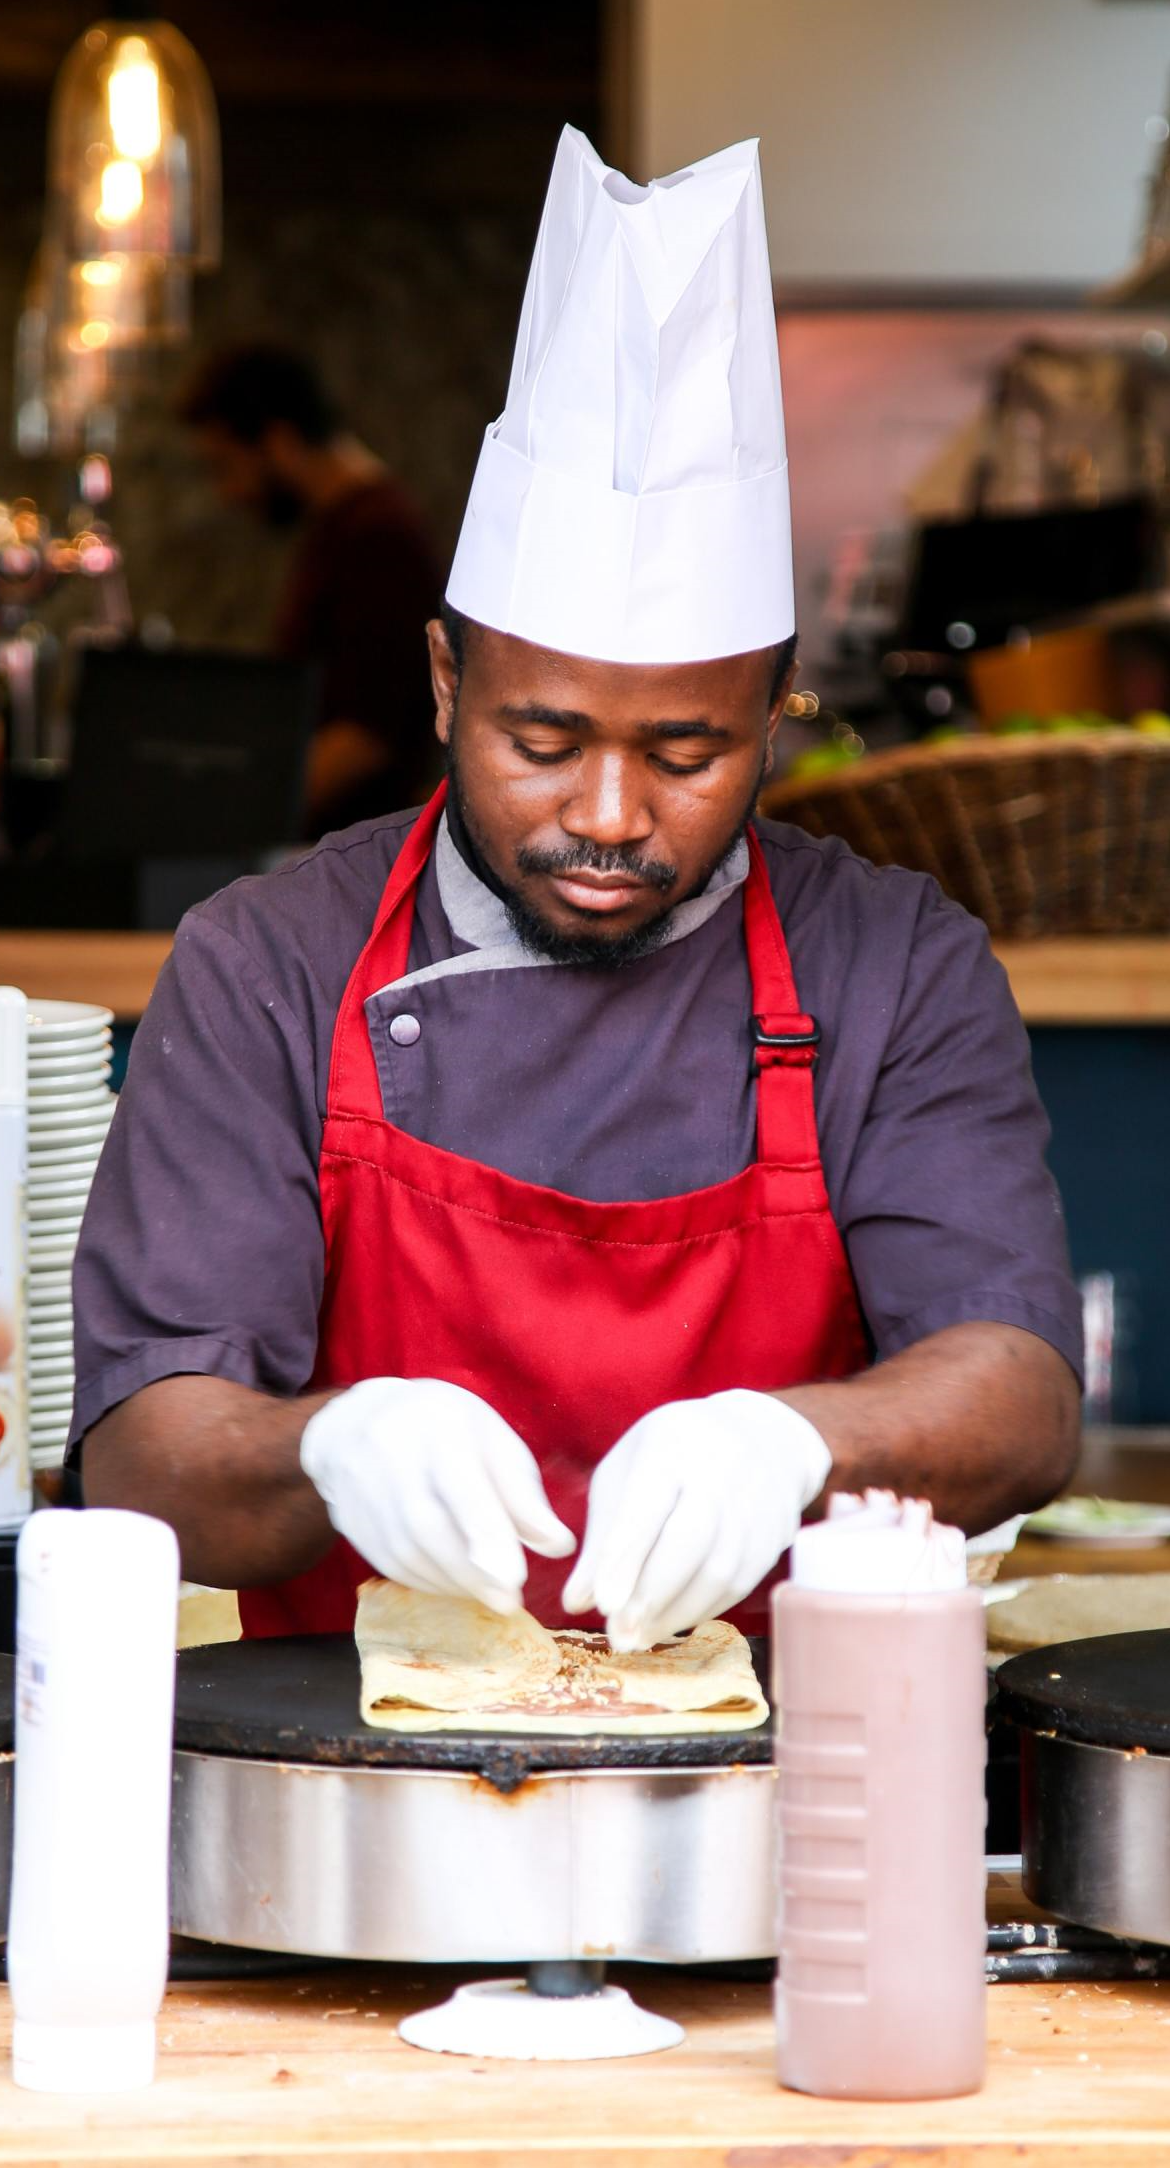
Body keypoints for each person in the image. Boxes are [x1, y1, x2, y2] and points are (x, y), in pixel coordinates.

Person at [75, 129, 1081, 1651]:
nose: (608, 817)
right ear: (440, 681)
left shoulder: (892, 964)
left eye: (685, 752)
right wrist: (323, 1450)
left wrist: (798, 1443)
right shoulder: (265, 962)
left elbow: (1014, 1393)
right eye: (541, 741)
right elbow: (148, 1455)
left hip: (779, 1782)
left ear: (771, 715)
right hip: (344, 1802)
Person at [178, 344, 439, 836]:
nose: (228, 493)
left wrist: (229, 826)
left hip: (353, 856)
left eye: (225, 466)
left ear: (279, 440)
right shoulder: (344, 528)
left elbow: (366, 734)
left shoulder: (378, 536)